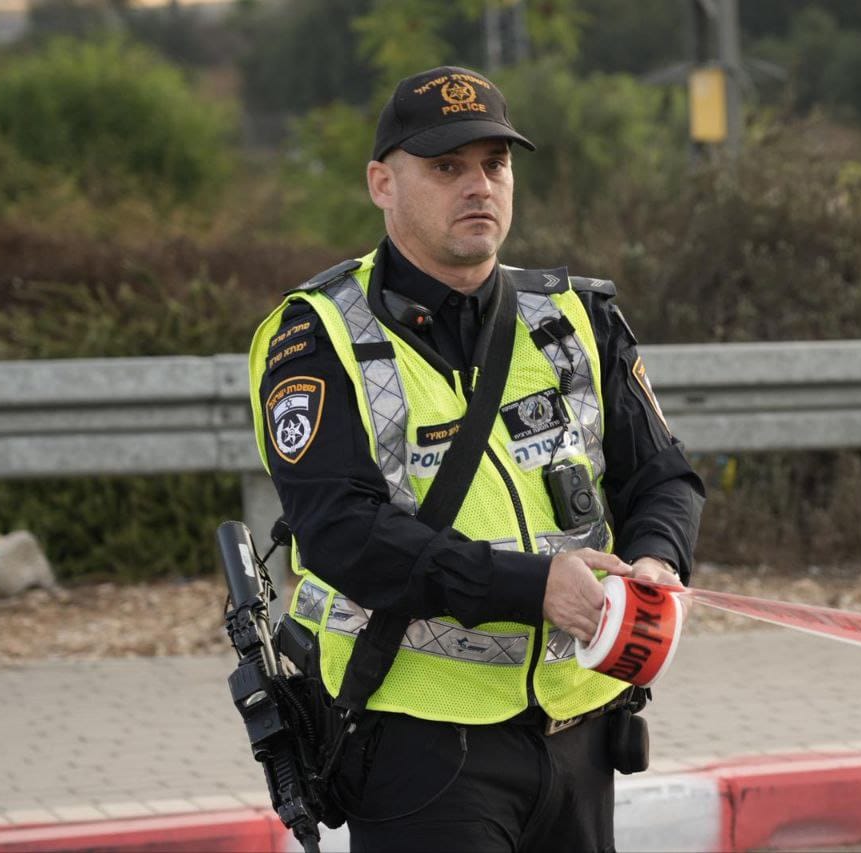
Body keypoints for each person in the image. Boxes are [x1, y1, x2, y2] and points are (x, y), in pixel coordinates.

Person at [247, 65, 704, 852]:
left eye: (495, 164)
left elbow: (663, 476)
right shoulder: (316, 335)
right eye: (446, 166)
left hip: (578, 725)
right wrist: (534, 586)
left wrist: (657, 561)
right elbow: (343, 533)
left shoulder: (574, 317)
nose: (479, 186)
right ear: (382, 183)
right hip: (418, 741)